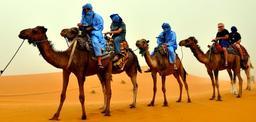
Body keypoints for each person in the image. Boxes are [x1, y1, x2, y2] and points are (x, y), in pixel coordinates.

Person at [77, 3, 106, 69]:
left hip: (95, 32)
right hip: (85, 32)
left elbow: (100, 26)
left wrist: (91, 28)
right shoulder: (84, 17)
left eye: (88, 9)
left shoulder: (97, 16)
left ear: (90, 9)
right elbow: (83, 24)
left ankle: (99, 61)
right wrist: (80, 25)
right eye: (85, 9)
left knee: (95, 42)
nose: (86, 10)